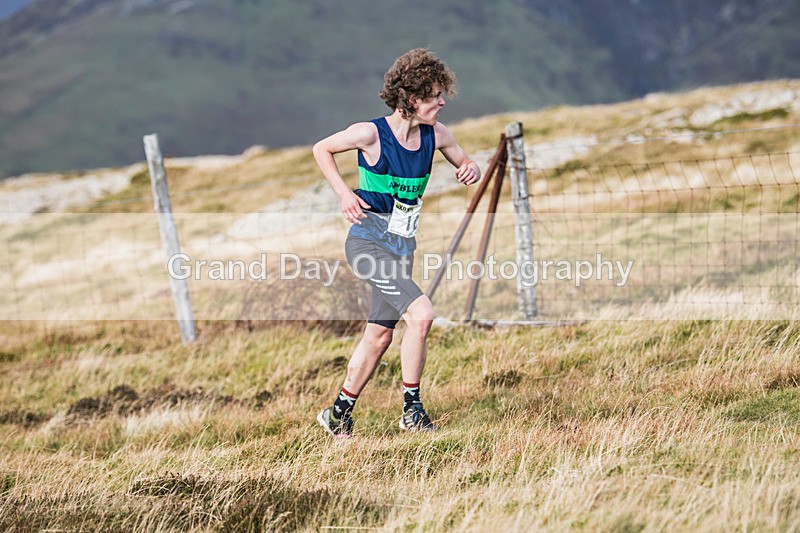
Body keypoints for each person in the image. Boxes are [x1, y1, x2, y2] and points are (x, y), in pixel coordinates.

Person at [312, 48, 481, 437]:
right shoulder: (371, 134)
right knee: (421, 315)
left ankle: (337, 415)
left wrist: (469, 168)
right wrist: (344, 194)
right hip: (368, 243)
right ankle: (412, 413)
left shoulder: (436, 135)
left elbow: (466, 161)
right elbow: (322, 148)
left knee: (379, 335)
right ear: (411, 99)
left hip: (402, 247)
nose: (441, 102)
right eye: (434, 95)